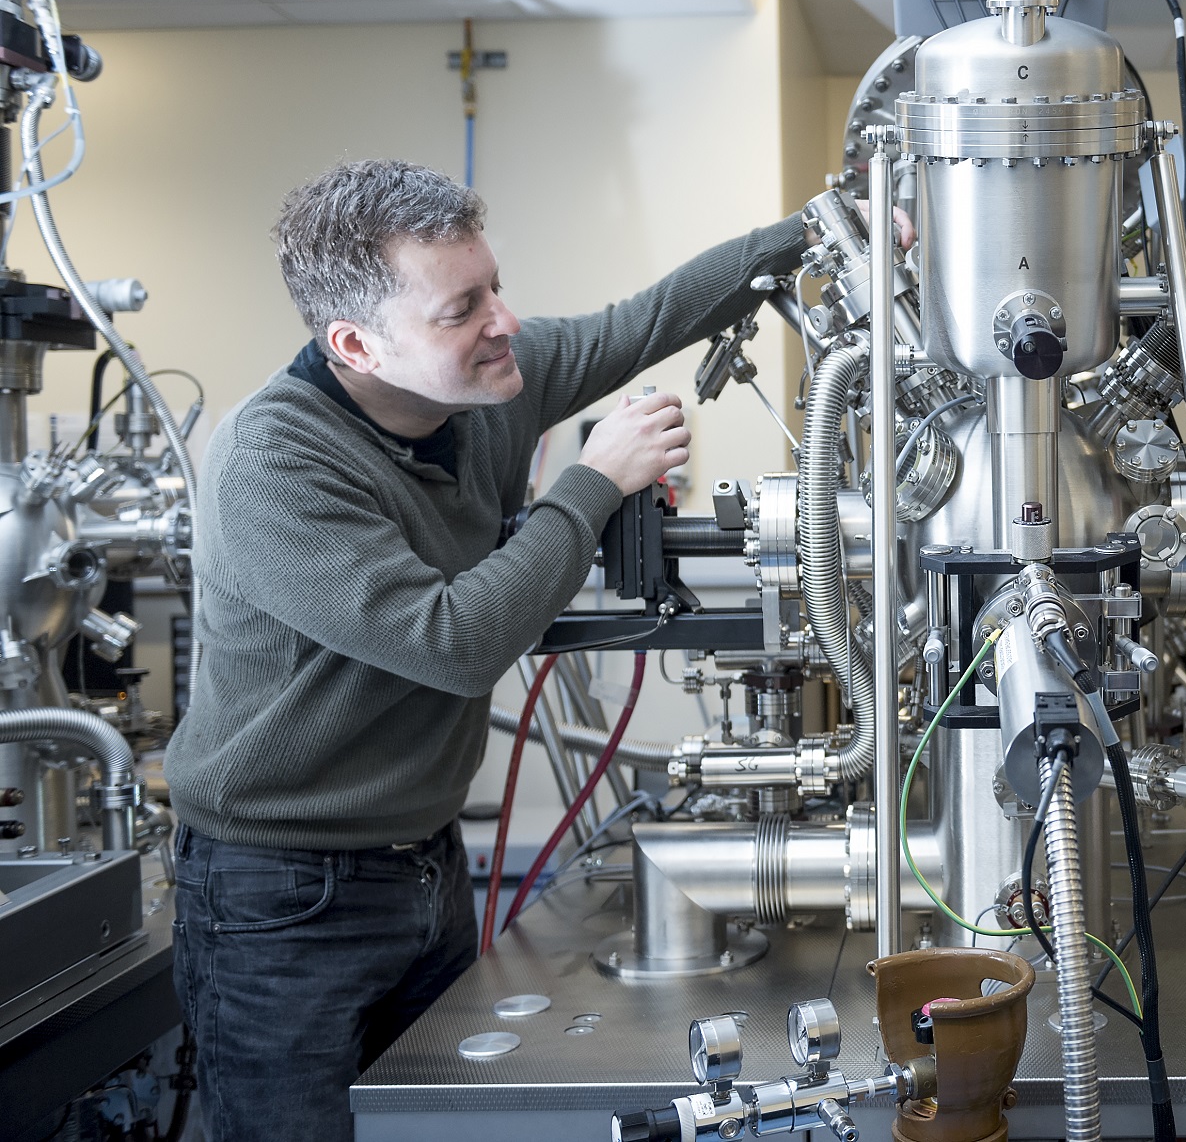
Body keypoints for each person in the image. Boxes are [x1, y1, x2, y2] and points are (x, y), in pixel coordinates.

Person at [163, 160, 909, 1141]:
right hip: (283, 893)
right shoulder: (274, 463)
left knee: (421, 1128)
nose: (504, 321)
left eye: (495, 287)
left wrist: (823, 228)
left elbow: (649, 318)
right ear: (356, 342)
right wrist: (594, 481)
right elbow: (454, 641)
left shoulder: (486, 383)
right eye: (461, 307)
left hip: (425, 858)